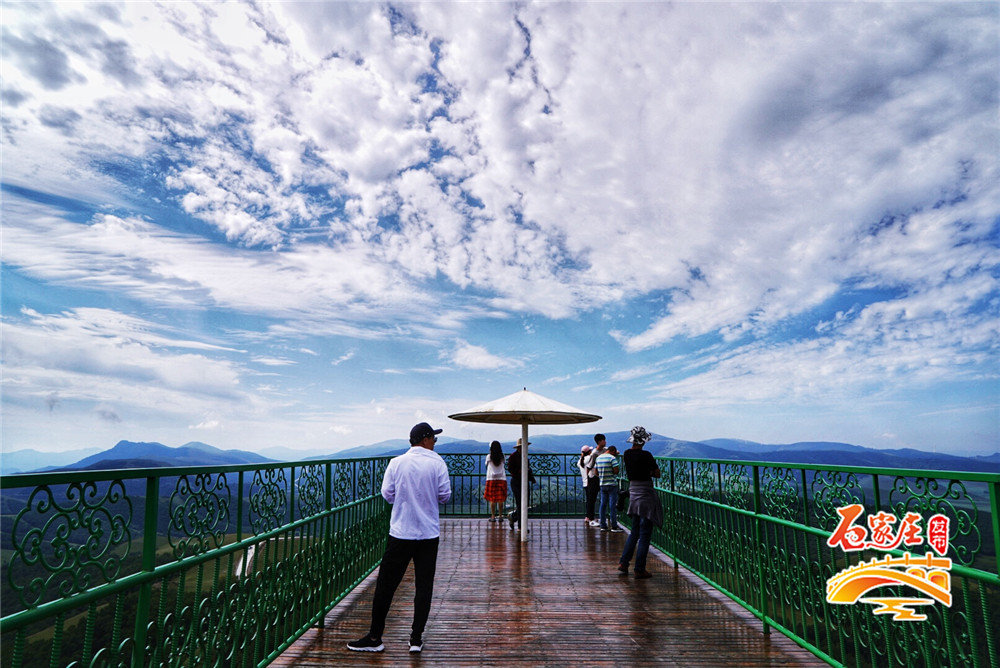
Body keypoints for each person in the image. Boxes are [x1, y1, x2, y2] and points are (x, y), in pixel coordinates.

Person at [347, 422, 452, 654]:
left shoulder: (396, 463)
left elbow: (387, 494)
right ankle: (415, 639)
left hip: (401, 532)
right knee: (423, 587)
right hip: (428, 533)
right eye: (434, 438)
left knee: (386, 585)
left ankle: (375, 637)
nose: (435, 442)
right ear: (425, 439)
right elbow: (445, 496)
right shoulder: (438, 463)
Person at [618, 426, 663, 579]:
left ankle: (624, 562)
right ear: (643, 441)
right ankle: (639, 568)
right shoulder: (647, 455)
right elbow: (657, 474)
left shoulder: (627, 454)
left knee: (635, 531)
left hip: (633, 492)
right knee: (644, 534)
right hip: (646, 493)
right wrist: (649, 472)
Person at [594, 435, 622, 532]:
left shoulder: (598, 458)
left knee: (603, 505)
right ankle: (614, 526)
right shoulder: (612, 458)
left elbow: (595, 472)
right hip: (612, 484)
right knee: (612, 505)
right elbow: (616, 471)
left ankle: (603, 525)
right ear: (613, 451)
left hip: (602, 484)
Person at [507, 438, 535, 530]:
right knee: (520, 503)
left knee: (525, 504)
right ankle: (521, 526)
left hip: (524, 481)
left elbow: (528, 468)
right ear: (519, 447)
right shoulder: (513, 456)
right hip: (516, 481)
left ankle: (513, 516)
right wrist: (520, 471)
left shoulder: (525, 456)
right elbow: (510, 469)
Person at [483, 440, 508, 522]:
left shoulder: (489, 456)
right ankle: (500, 516)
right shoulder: (502, 456)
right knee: (500, 498)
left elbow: (486, 465)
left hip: (491, 478)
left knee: (492, 498)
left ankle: (493, 516)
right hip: (501, 478)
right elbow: (504, 464)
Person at [578, 445, 598, 524]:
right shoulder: (590, 458)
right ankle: (591, 518)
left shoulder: (580, 460)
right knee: (592, 501)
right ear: (589, 452)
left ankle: (587, 516)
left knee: (589, 500)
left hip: (585, 482)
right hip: (591, 481)